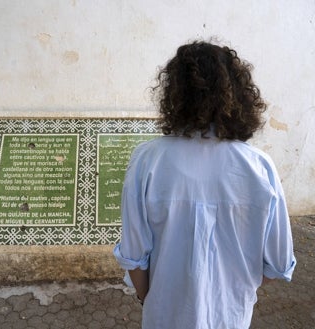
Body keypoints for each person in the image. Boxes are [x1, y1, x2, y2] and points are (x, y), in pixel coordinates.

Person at [113, 40, 296, 328]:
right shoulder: (260, 168)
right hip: (231, 317)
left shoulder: (147, 161)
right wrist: (233, 291)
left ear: (174, 94)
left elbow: (134, 256)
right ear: (238, 95)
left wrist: (151, 298)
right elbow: (278, 264)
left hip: (164, 316)